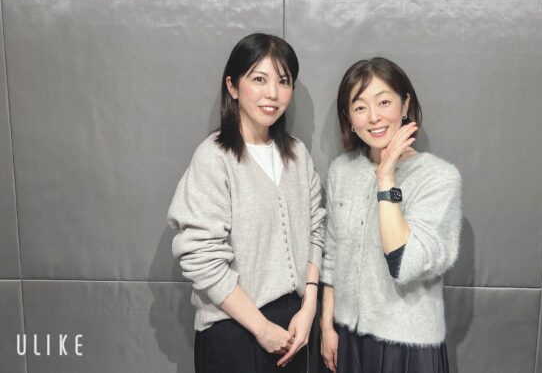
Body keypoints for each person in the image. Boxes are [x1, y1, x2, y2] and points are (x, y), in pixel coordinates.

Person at [168, 33, 325, 373]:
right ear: (233, 86)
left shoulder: (298, 155)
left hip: (295, 325)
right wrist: (261, 327)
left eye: (283, 81)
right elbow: (200, 257)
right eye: (259, 79)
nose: (273, 93)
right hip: (233, 329)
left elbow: (317, 228)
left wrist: (309, 306)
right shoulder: (214, 158)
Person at [320, 57, 462, 373]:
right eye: (360, 107)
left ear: (405, 104)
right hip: (348, 339)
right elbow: (332, 256)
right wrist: (327, 325)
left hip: (407, 346)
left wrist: (386, 180)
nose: (374, 117)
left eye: (384, 102)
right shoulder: (342, 171)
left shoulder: (438, 178)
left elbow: (405, 264)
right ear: (349, 117)